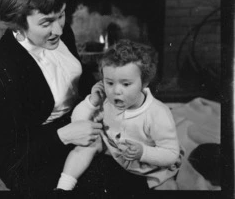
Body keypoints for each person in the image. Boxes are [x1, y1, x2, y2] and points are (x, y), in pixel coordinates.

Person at [0, 0, 148, 199]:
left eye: (61, 15)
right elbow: (11, 158)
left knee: (138, 177)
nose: (59, 29)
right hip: (36, 157)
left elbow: (77, 82)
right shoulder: (5, 70)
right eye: (46, 22)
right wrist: (64, 135)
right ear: (18, 23)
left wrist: (96, 101)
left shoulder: (60, 33)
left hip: (79, 126)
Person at [56, 39, 182, 192]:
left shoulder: (158, 113)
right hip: (114, 150)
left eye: (126, 84)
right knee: (85, 146)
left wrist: (144, 152)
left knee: (168, 186)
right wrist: (92, 101)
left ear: (144, 83)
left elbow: (171, 154)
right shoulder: (106, 101)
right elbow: (78, 121)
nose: (116, 91)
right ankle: (63, 188)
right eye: (109, 83)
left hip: (150, 165)